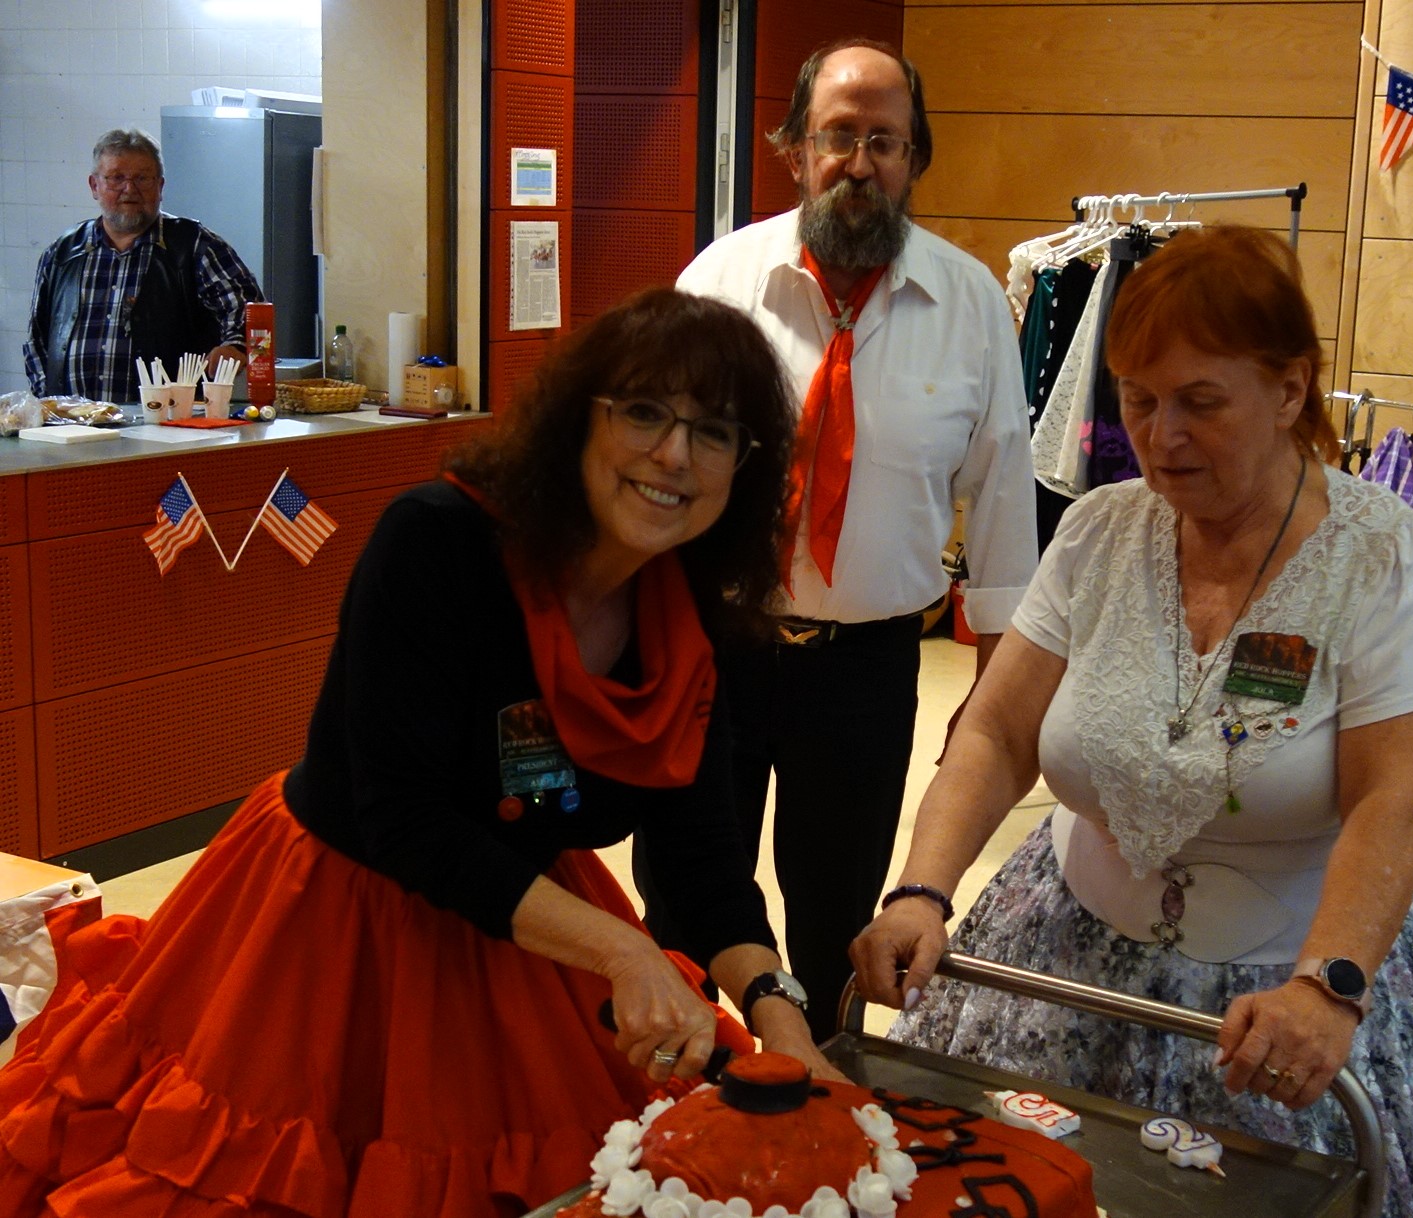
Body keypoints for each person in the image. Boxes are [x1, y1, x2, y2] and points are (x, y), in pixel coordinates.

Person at [0, 289, 834, 1217]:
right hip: (338, 922)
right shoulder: (439, 541)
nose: (674, 454)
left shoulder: (691, 620)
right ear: (580, 420)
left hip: (532, 921)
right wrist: (622, 952)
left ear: (745, 468)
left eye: (714, 432)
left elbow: (703, 860)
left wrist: (781, 1015)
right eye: (644, 412)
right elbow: (403, 818)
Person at [850, 227, 1413, 1218]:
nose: (1161, 437)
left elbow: (1396, 796)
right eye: (1138, 400)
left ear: (1289, 391)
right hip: (1066, 954)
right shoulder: (1101, 529)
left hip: (1285, 986)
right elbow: (996, 734)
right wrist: (923, 889)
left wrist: (1327, 987)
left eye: (1200, 402)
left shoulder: (1386, 555)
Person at [648, 38, 1036, 1041]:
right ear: (794, 150)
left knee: (836, 927)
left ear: (914, 158)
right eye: (837, 137)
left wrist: (995, 695)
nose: (859, 165)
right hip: (714, 649)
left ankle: (819, 1100)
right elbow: (655, 474)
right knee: (685, 908)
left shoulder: (970, 306)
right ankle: (673, 1100)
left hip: (864, 669)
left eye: (884, 142)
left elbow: (1003, 506)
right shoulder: (719, 282)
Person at [24, 127, 261, 405]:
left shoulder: (194, 246)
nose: (129, 189)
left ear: (160, 186)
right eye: (116, 178)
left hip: (168, 421)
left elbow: (251, 312)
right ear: (94, 186)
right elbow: (37, 341)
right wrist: (49, 405)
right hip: (73, 423)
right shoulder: (63, 254)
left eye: (142, 178)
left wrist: (234, 346)